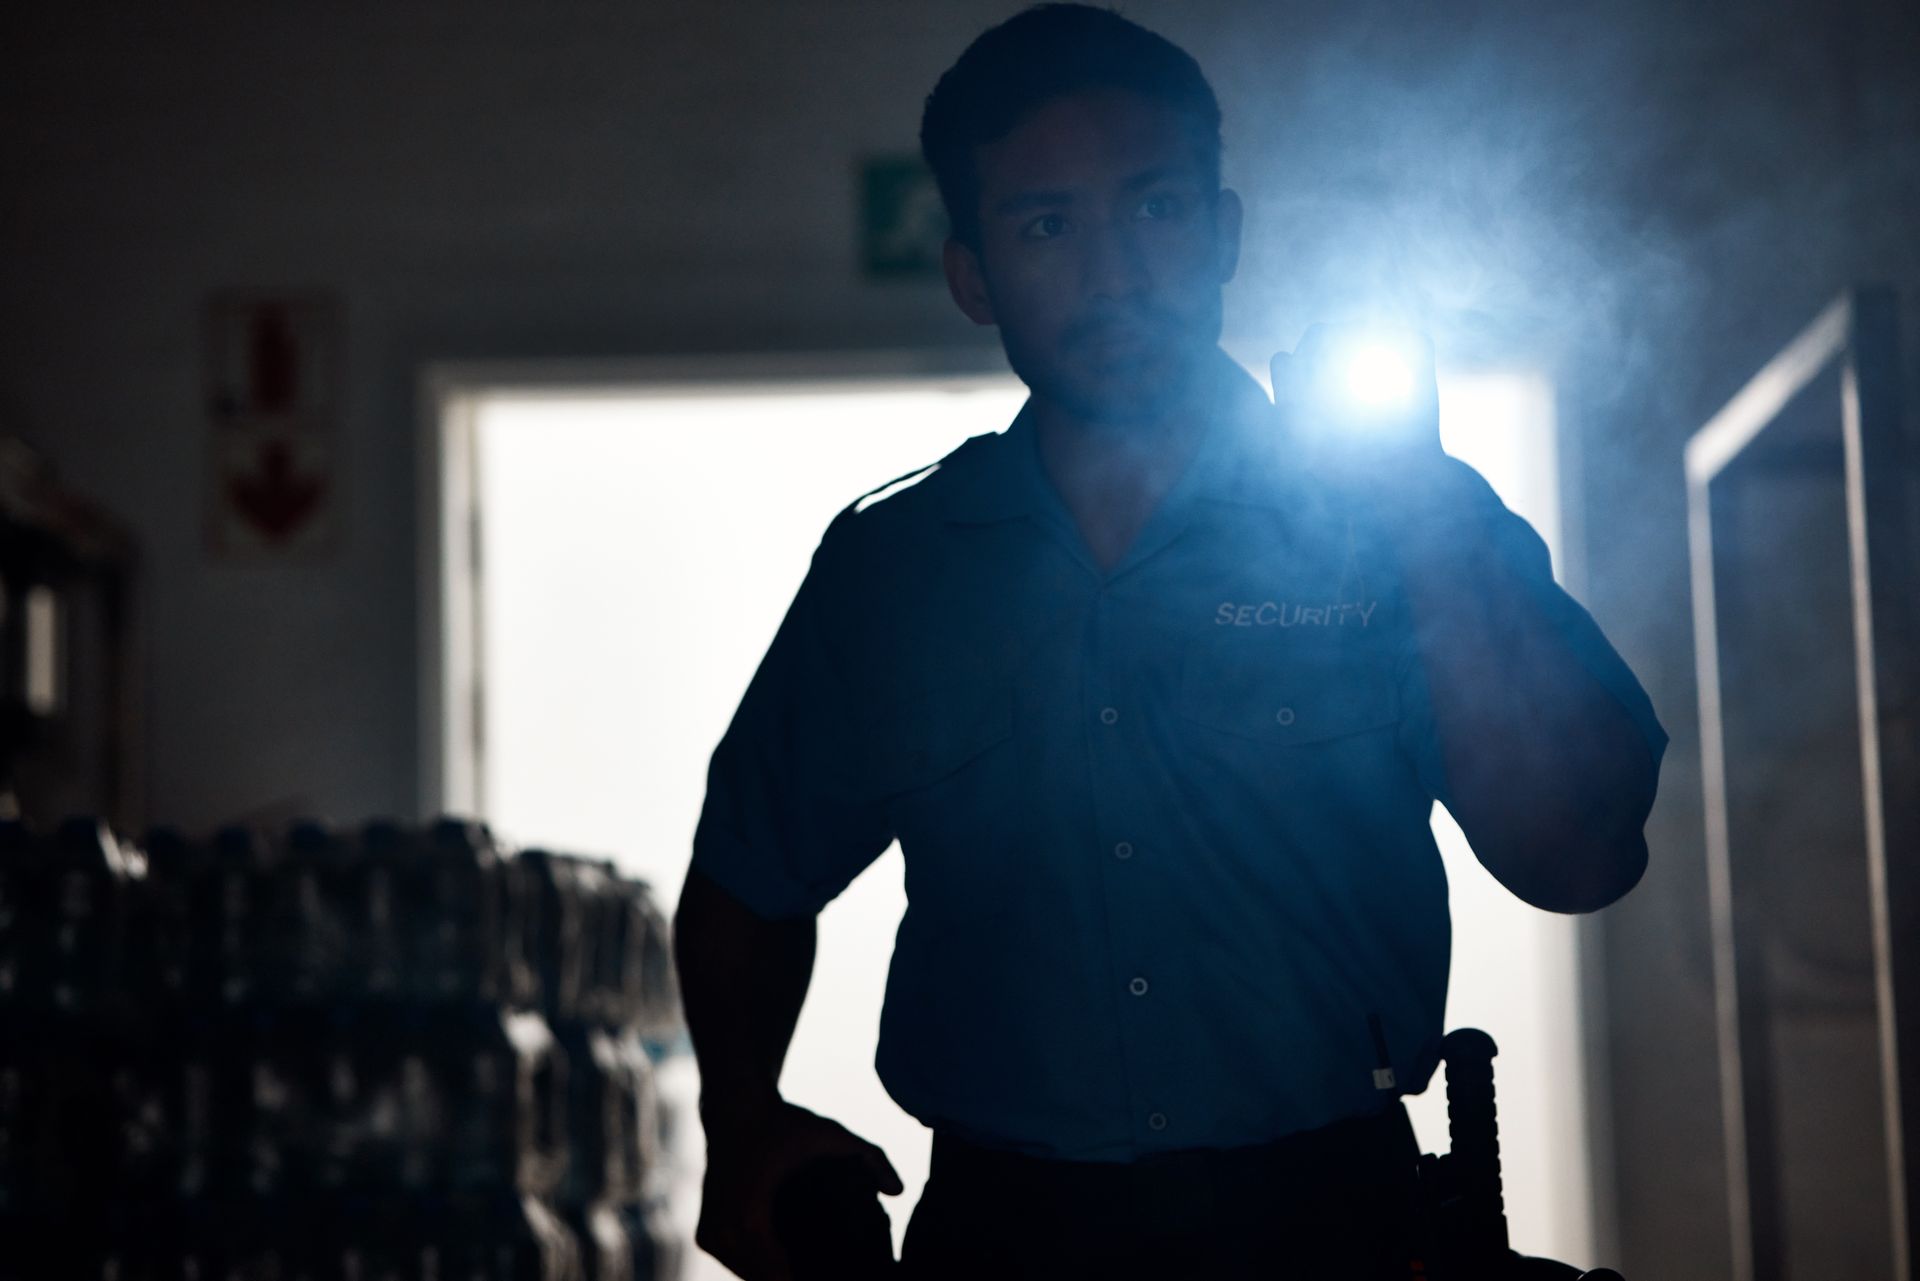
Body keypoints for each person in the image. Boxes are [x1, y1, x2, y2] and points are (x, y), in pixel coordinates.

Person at [672, 6, 1667, 1279]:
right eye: (1047, 225)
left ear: (1223, 235)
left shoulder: (1402, 517)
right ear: (972, 273)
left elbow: (1581, 858)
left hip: (1337, 1229)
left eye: (1155, 210)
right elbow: (751, 877)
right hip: (1003, 1238)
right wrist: (739, 1118)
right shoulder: (896, 569)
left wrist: (1422, 525)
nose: (1114, 273)